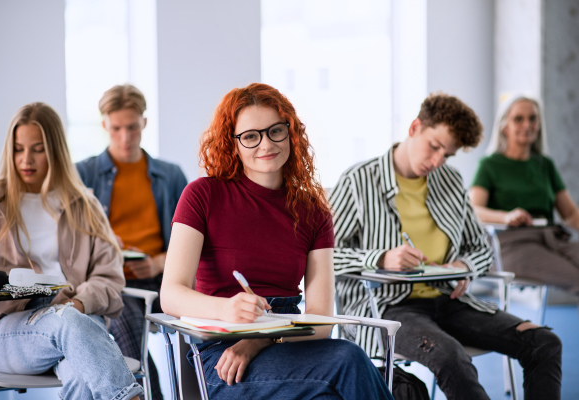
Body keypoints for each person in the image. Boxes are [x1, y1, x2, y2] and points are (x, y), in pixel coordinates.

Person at [160, 83, 393, 399]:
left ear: (291, 133)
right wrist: (227, 310)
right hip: (222, 360)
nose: (266, 144)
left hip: (288, 339)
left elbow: (321, 320)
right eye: (251, 136)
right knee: (348, 358)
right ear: (234, 144)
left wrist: (257, 341)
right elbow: (171, 294)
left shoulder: (314, 210)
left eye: (275, 131)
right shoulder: (202, 195)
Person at [330, 93, 562, 400]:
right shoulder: (357, 181)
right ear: (414, 128)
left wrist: (463, 266)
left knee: (543, 342)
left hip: (450, 301)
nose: (438, 161)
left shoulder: (450, 182)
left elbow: (481, 248)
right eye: (434, 146)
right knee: (450, 355)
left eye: (448, 155)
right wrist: (382, 257)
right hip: (389, 309)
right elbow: (323, 256)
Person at [0, 102, 143, 400]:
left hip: (79, 317)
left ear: (54, 150)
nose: (26, 159)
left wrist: (78, 304)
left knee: (82, 373)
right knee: (69, 325)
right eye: (18, 149)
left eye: (38, 149)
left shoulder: (85, 205)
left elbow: (110, 279)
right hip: (11, 333)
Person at [76, 84, 188, 399]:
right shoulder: (83, 175)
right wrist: (109, 250)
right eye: (116, 128)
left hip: (163, 278)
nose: (125, 137)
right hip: (112, 280)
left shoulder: (171, 175)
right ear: (104, 126)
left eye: (132, 127)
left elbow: (195, 242)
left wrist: (158, 261)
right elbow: (69, 243)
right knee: (119, 306)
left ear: (144, 123)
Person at [470, 94, 579, 299]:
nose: (527, 125)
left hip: (552, 238)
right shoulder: (489, 165)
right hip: (512, 244)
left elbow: (571, 214)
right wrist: (506, 217)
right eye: (518, 119)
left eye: (533, 118)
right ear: (504, 126)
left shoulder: (545, 164)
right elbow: (473, 210)